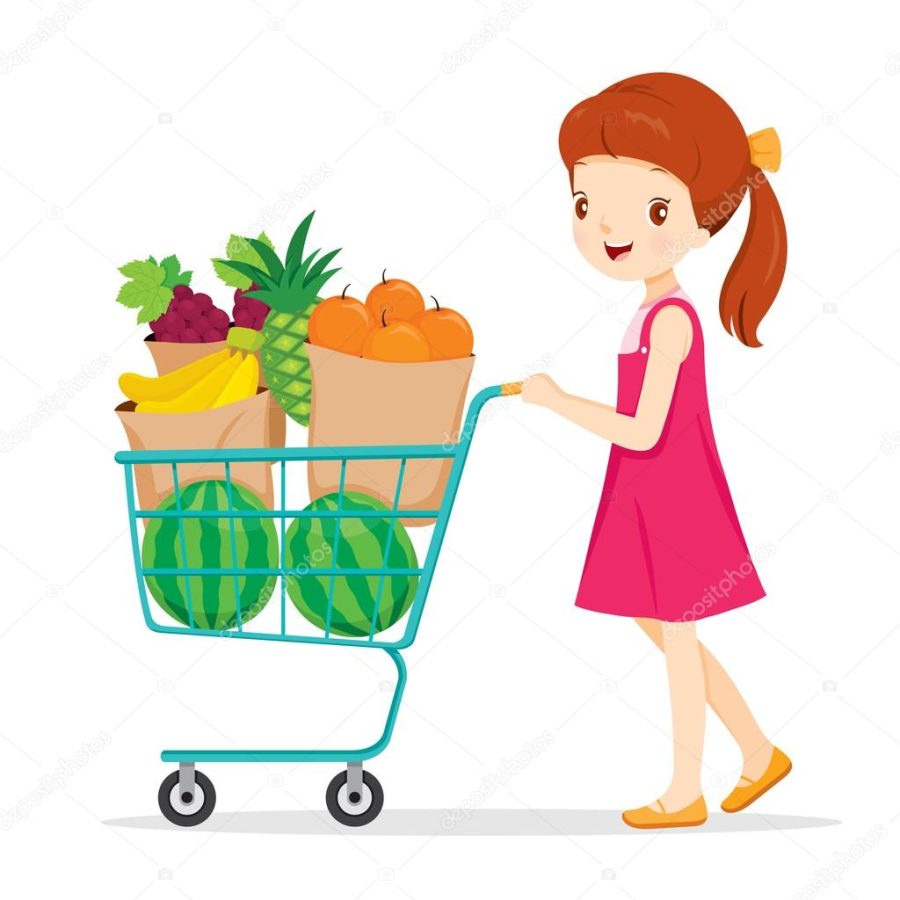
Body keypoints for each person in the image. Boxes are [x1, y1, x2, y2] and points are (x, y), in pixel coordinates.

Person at [521, 73, 792, 829]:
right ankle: (759, 752)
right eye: (585, 205)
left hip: (671, 495)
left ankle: (684, 791)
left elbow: (645, 431)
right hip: (643, 491)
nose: (606, 228)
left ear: (700, 226)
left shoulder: (671, 320)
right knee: (669, 632)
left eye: (651, 209)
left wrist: (557, 402)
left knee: (676, 640)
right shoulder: (648, 312)